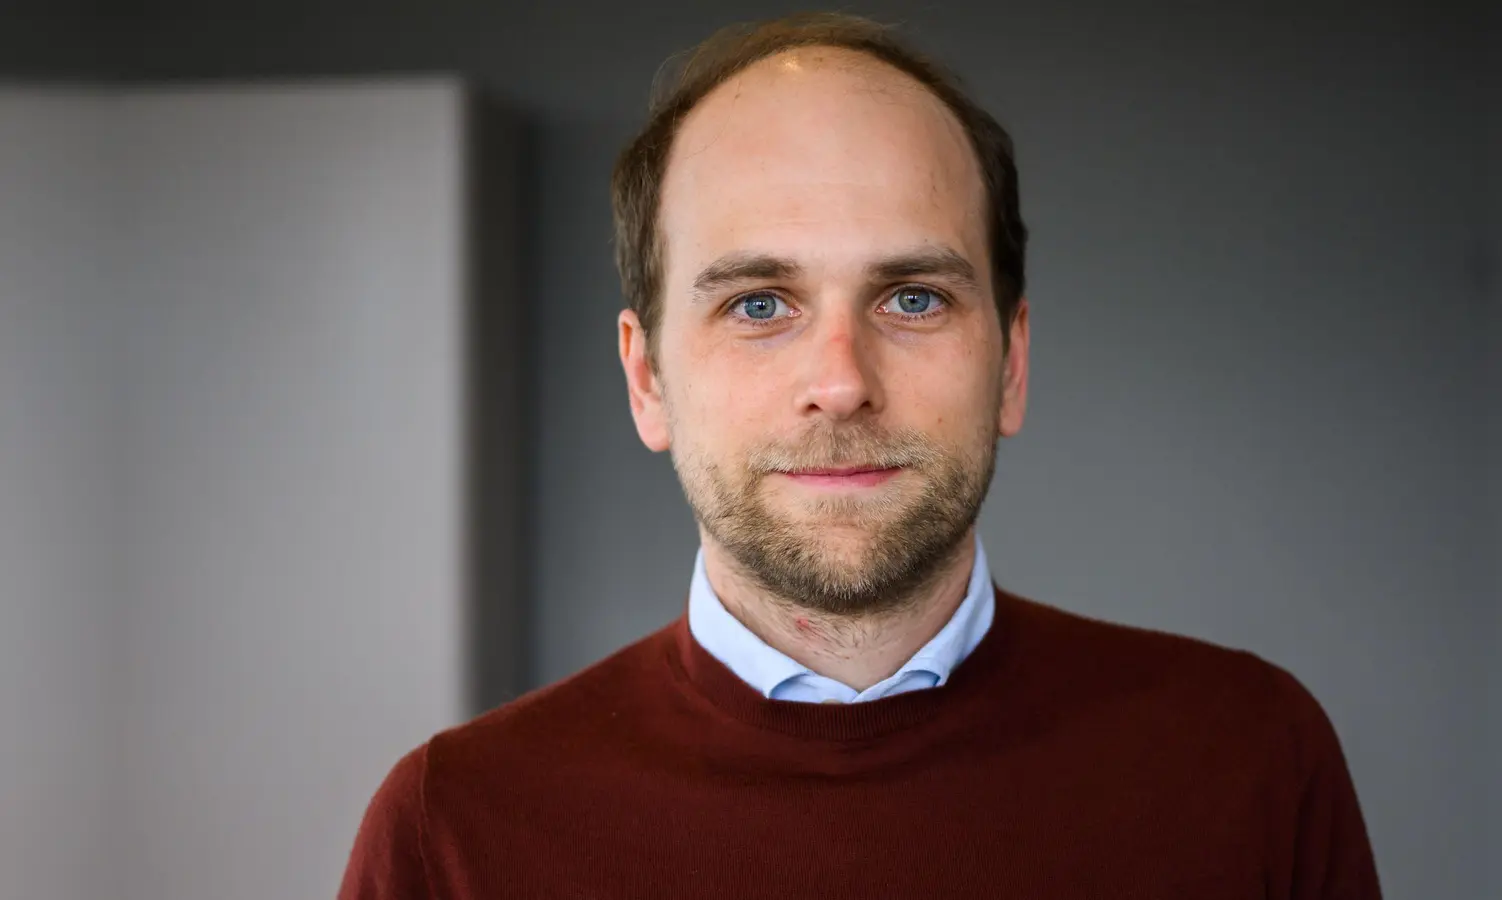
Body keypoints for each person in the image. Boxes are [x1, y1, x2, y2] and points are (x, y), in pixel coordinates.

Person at [339, 12, 1382, 899]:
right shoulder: (454, 836)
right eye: (758, 304)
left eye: (913, 298)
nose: (840, 380)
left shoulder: (1248, 764)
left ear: (1010, 363)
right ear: (646, 377)